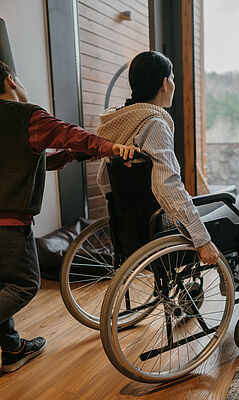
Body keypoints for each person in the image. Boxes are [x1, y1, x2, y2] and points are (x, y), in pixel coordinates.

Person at [0, 61, 137, 373]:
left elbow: (31, 160)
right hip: (8, 225)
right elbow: (69, 133)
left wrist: (72, 155)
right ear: (11, 79)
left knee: (1, 285)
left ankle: (13, 349)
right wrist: (112, 148)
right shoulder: (27, 116)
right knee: (24, 284)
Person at [96, 50, 239, 266]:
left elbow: (103, 180)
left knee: (224, 200)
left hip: (132, 229)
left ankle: (237, 279)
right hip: (164, 228)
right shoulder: (154, 125)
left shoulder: (119, 124)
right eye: (173, 78)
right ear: (165, 83)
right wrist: (202, 239)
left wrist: (124, 213)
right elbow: (168, 185)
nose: (173, 84)